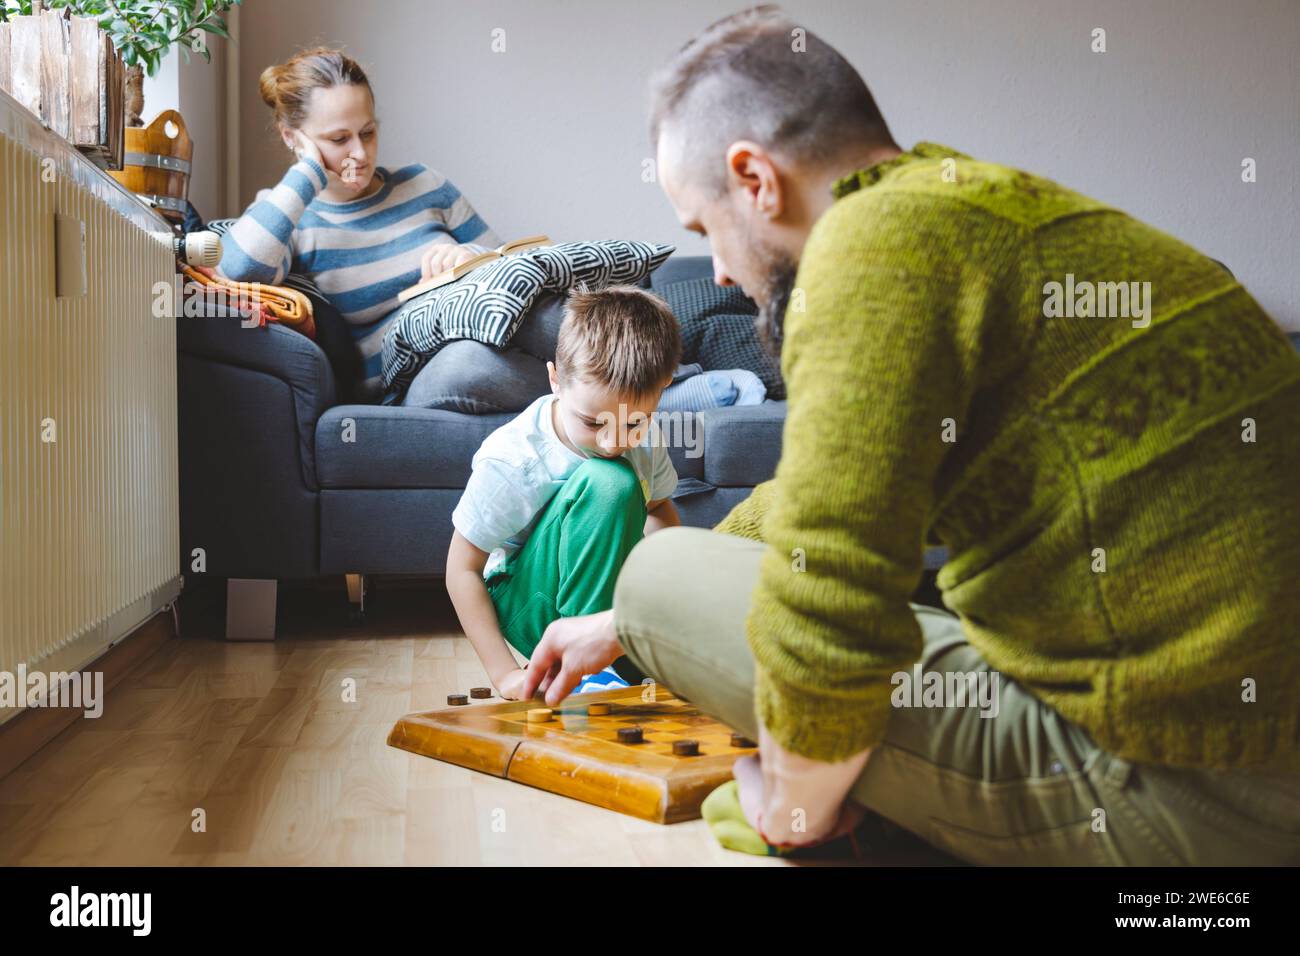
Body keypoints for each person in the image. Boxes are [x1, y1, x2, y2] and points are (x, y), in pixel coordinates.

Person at [521, 5, 1300, 864]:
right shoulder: (968, 205)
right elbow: (830, 502)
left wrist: (791, 804)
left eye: (705, 229)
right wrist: (620, 636)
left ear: (755, 179)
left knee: (657, 575)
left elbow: (830, 611)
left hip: (1185, 792)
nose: (719, 272)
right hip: (1250, 742)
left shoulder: (865, 251)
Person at [217, 47, 500, 400]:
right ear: (292, 137)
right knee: (471, 363)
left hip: (484, 333)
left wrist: (468, 257)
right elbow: (235, 271)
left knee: (565, 321)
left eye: (367, 133)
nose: (361, 155)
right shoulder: (291, 219)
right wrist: (307, 172)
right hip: (418, 378)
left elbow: (512, 267)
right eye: (339, 140)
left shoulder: (425, 183)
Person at [445, 286, 683, 701]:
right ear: (555, 379)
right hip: (530, 597)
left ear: (662, 389)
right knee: (610, 479)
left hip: (610, 599)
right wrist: (504, 675)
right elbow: (462, 569)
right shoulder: (513, 459)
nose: (613, 441)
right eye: (593, 423)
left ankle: (611, 656)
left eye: (634, 424)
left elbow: (659, 507)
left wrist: (657, 592)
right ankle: (584, 663)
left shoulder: (644, 436)